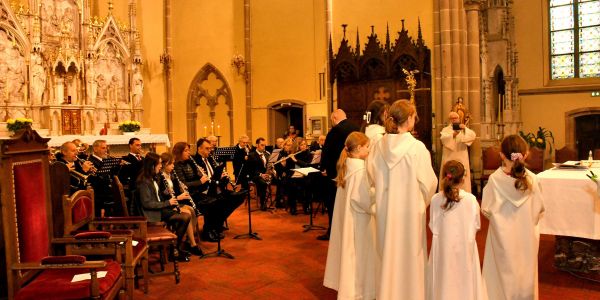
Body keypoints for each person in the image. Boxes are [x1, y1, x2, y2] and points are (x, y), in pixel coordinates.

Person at [366, 99, 437, 299]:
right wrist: (421, 202)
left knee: (386, 252)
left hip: (386, 209)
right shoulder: (417, 148)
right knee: (410, 255)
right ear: (408, 119)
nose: (415, 119)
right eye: (414, 116)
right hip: (409, 212)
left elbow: (370, 175)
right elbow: (429, 183)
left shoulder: (379, 146)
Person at [481, 135, 545, 300]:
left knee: (501, 273)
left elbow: (486, 209)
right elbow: (539, 209)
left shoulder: (495, 180)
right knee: (525, 273)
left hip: (502, 238)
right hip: (527, 237)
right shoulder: (533, 180)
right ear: (526, 154)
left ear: (501, 155)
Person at [323, 132, 376, 300]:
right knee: (358, 258)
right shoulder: (360, 171)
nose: (369, 150)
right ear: (359, 148)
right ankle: (358, 292)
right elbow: (364, 202)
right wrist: (377, 194)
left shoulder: (347, 167)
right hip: (358, 223)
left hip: (350, 219)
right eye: (367, 147)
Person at [427, 160, 486, 300]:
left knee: (443, 278)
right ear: (464, 178)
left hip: (442, 250)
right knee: (464, 279)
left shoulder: (435, 199)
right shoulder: (471, 200)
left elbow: (432, 225)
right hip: (465, 248)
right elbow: (477, 225)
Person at [137, 152, 192, 262]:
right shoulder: (144, 181)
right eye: (159, 164)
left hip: (159, 210)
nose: (161, 166)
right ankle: (174, 249)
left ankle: (175, 248)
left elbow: (157, 196)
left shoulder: (152, 177)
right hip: (151, 214)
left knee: (184, 216)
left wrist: (166, 194)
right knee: (184, 218)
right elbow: (147, 203)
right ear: (152, 165)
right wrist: (168, 203)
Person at [318, 109, 359, 240]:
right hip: (354, 170)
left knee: (333, 203)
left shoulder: (335, 131)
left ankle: (333, 232)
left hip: (336, 173)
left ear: (334, 118)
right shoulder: (356, 127)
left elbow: (327, 152)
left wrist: (323, 168)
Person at [158, 152, 203, 256]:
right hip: (168, 205)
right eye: (171, 164)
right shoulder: (160, 177)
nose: (173, 166)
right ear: (164, 164)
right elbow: (163, 197)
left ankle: (188, 239)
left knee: (191, 209)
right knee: (187, 212)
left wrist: (182, 188)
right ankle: (192, 244)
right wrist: (179, 198)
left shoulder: (171, 175)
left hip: (174, 202)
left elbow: (175, 191)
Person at [439, 111, 476, 192]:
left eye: (456, 118)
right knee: (449, 176)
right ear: (449, 120)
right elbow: (443, 139)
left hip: (461, 157)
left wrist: (465, 129)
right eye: (452, 118)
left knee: (463, 178)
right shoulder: (445, 130)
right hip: (449, 157)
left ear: (459, 118)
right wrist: (454, 134)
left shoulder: (463, 128)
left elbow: (472, 136)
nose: (454, 120)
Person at [247, 137, 271, 211]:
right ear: (257, 145)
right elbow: (251, 170)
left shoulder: (267, 154)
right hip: (254, 175)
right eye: (262, 145)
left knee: (279, 179)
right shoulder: (251, 155)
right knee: (263, 183)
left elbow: (268, 166)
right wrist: (261, 175)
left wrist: (269, 171)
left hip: (265, 174)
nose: (264, 147)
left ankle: (279, 201)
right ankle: (262, 203)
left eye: (264, 145)